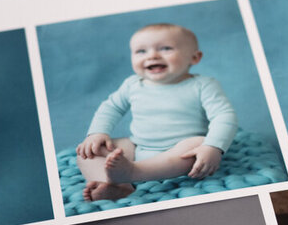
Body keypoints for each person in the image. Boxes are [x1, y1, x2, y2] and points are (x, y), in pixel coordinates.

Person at [77, 23, 237, 201]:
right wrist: (98, 132)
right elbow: (111, 107)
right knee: (89, 152)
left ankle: (133, 172)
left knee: (198, 143)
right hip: (138, 146)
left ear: (195, 57)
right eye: (141, 51)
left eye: (166, 48)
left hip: (180, 152)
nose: (152, 55)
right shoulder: (132, 84)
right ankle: (117, 185)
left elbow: (224, 115)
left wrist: (213, 146)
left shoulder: (202, 85)